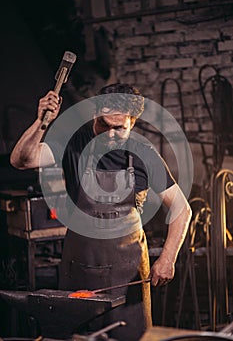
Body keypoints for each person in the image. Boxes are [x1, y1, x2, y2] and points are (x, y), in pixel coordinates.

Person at [10, 83, 192, 341]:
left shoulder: (144, 154)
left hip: (127, 276)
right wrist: (42, 122)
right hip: (79, 269)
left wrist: (168, 258)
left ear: (133, 122)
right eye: (103, 124)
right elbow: (22, 160)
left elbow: (182, 209)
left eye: (118, 128)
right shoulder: (74, 142)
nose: (108, 134)